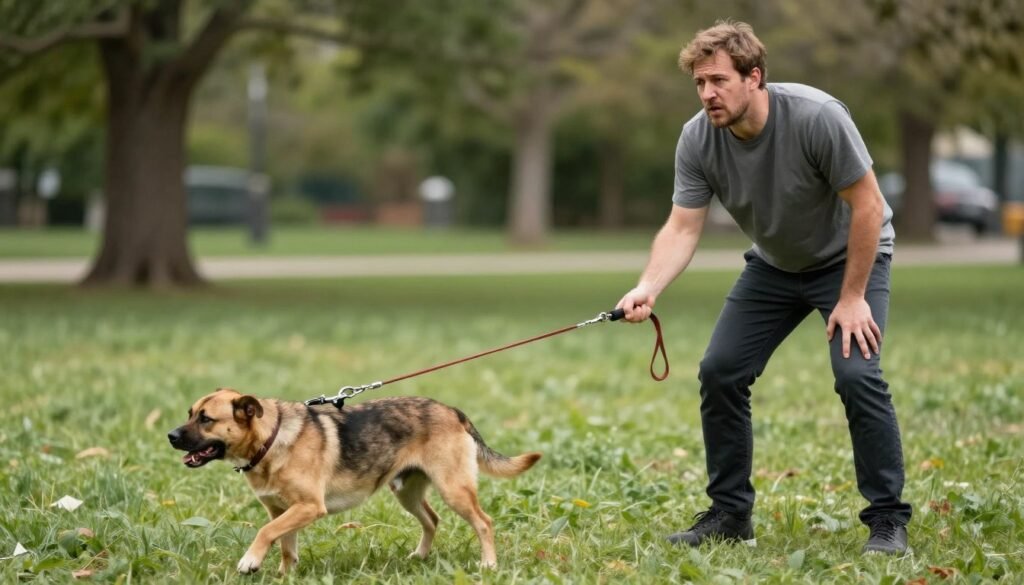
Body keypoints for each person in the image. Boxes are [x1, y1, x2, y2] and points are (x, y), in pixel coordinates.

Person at [615, 20, 912, 554]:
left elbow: (868, 206)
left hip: (850, 260)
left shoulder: (817, 117)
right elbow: (683, 226)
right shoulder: (698, 137)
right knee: (720, 371)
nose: (707, 94)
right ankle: (730, 514)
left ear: (755, 77)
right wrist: (648, 287)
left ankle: (887, 519)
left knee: (856, 374)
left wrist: (851, 298)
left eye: (718, 80)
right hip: (775, 267)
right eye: (699, 83)